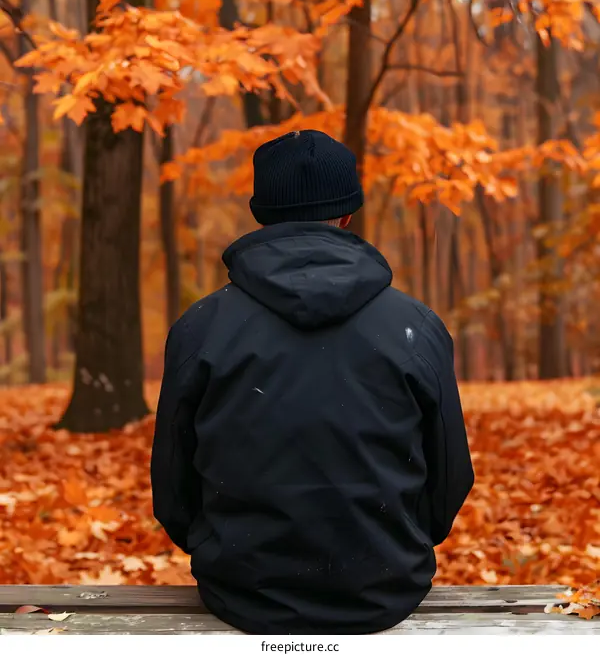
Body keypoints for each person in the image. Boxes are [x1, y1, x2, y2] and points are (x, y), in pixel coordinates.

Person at [151, 129, 474, 635]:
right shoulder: (417, 326)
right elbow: (450, 480)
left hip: (240, 591)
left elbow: (173, 489)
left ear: (261, 214)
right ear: (348, 215)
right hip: (385, 589)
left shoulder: (200, 328)